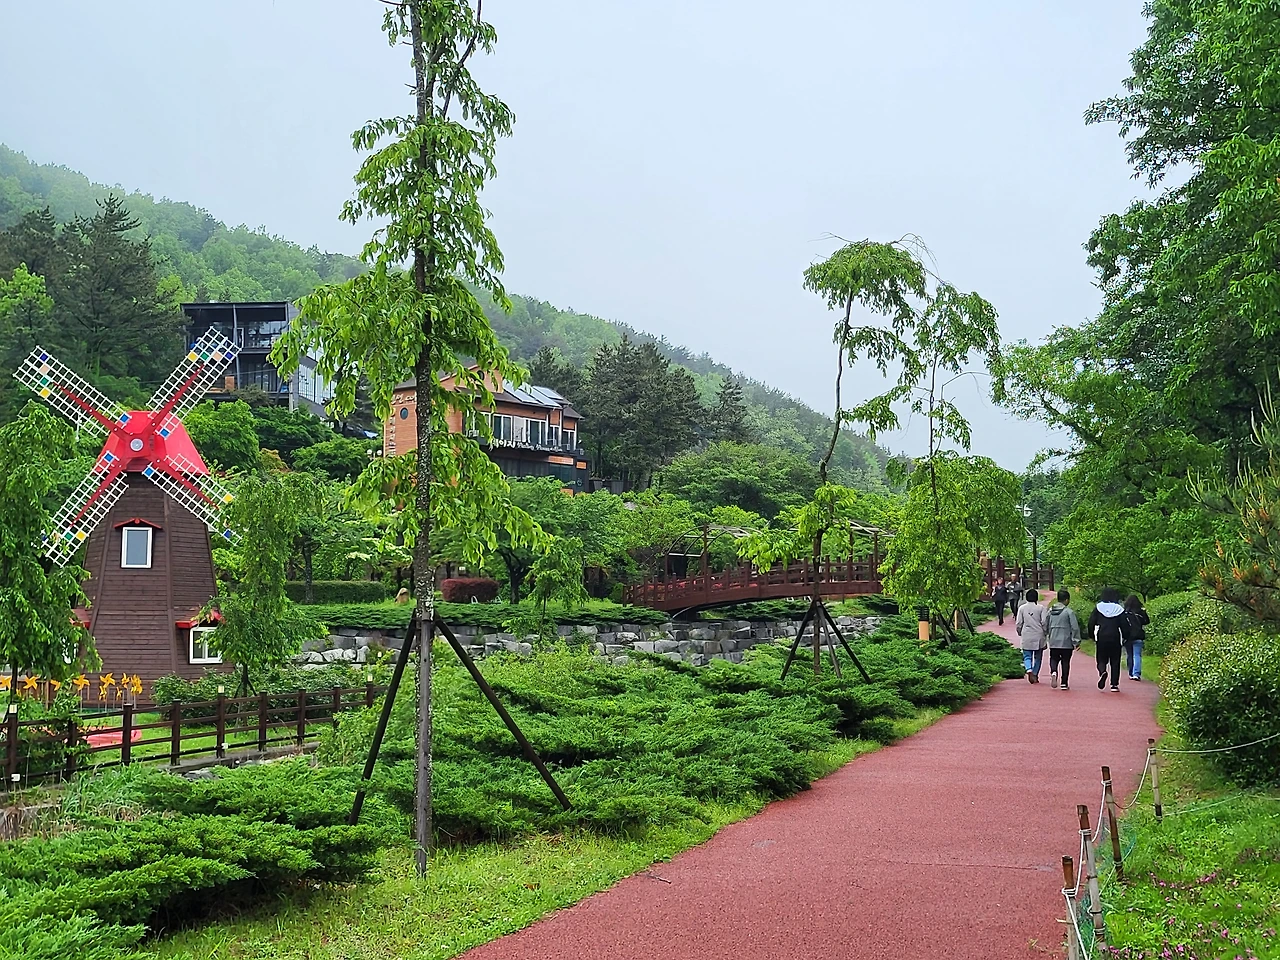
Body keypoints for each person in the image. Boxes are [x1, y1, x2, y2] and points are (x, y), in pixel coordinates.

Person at [1087, 587, 1130, 691]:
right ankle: (1114, 684)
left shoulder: (1098, 608)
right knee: (1115, 661)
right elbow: (1125, 625)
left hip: (1102, 636)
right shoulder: (1119, 609)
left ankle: (1103, 672)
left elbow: (1091, 623)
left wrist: (1092, 635)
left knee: (1101, 659)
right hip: (1115, 637)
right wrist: (1126, 637)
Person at [1046, 588, 1081, 689]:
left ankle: (1053, 671)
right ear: (1066, 600)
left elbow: (1045, 624)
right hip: (1066, 641)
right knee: (1065, 661)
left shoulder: (1050, 611)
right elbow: (1074, 627)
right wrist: (1076, 641)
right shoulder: (1069, 612)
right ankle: (1064, 683)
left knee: (1053, 658)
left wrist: (1048, 635)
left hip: (1053, 640)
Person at [1015, 588, 1049, 683]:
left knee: (1027, 656)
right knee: (1038, 657)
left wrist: (1019, 632)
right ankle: (1035, 673)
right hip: (1038, 634)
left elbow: (1019, 623)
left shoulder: (1022, 608)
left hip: (1026, 634)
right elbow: (1044, 622)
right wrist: (1045, 633)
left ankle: (1028, 669)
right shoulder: (1041, 608)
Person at [1124, 595, 1150, 681]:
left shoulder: (1125, 613)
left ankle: (1131, 673)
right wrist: (1144, 612)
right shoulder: (1140, 612)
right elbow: (1147, 621)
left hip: (1128, 637)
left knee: (1129, 655)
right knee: (1137, 655)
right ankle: (1136, 674)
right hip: (1138, 636)